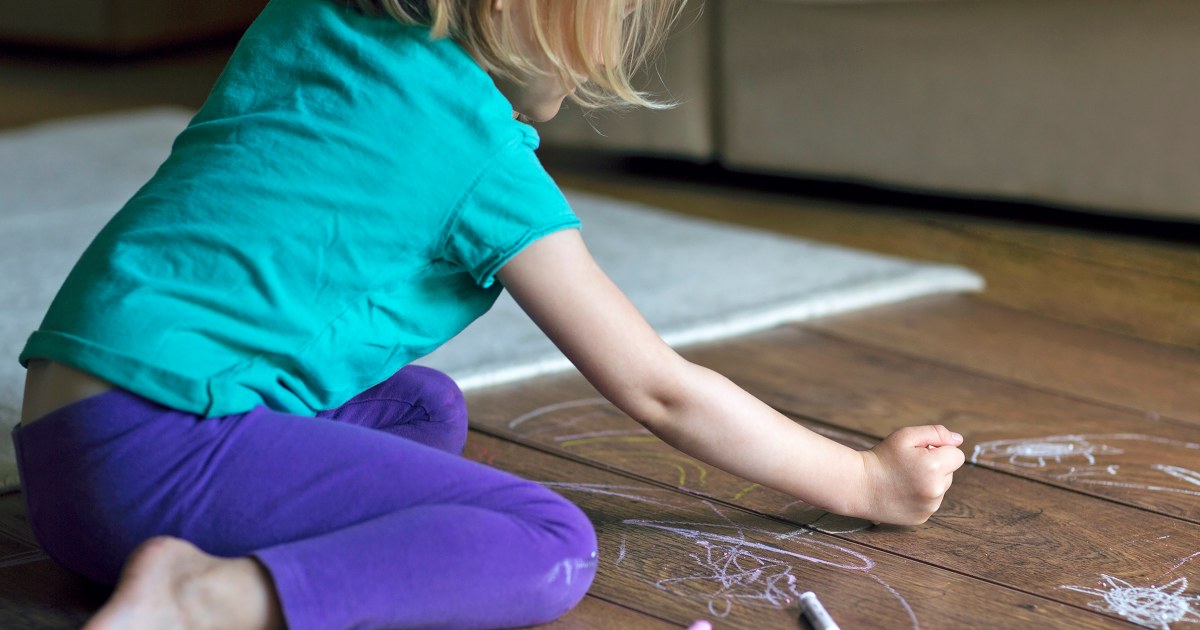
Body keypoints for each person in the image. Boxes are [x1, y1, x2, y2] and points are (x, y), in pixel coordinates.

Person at [14, 0, 967, 628]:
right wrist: (863, 484)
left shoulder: (310, 20)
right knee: (550, 544)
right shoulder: (479, 158)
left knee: (420, 406)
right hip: (153, 462)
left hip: (64, 452)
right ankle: (208, 599)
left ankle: (248, 562)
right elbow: (660, 390)